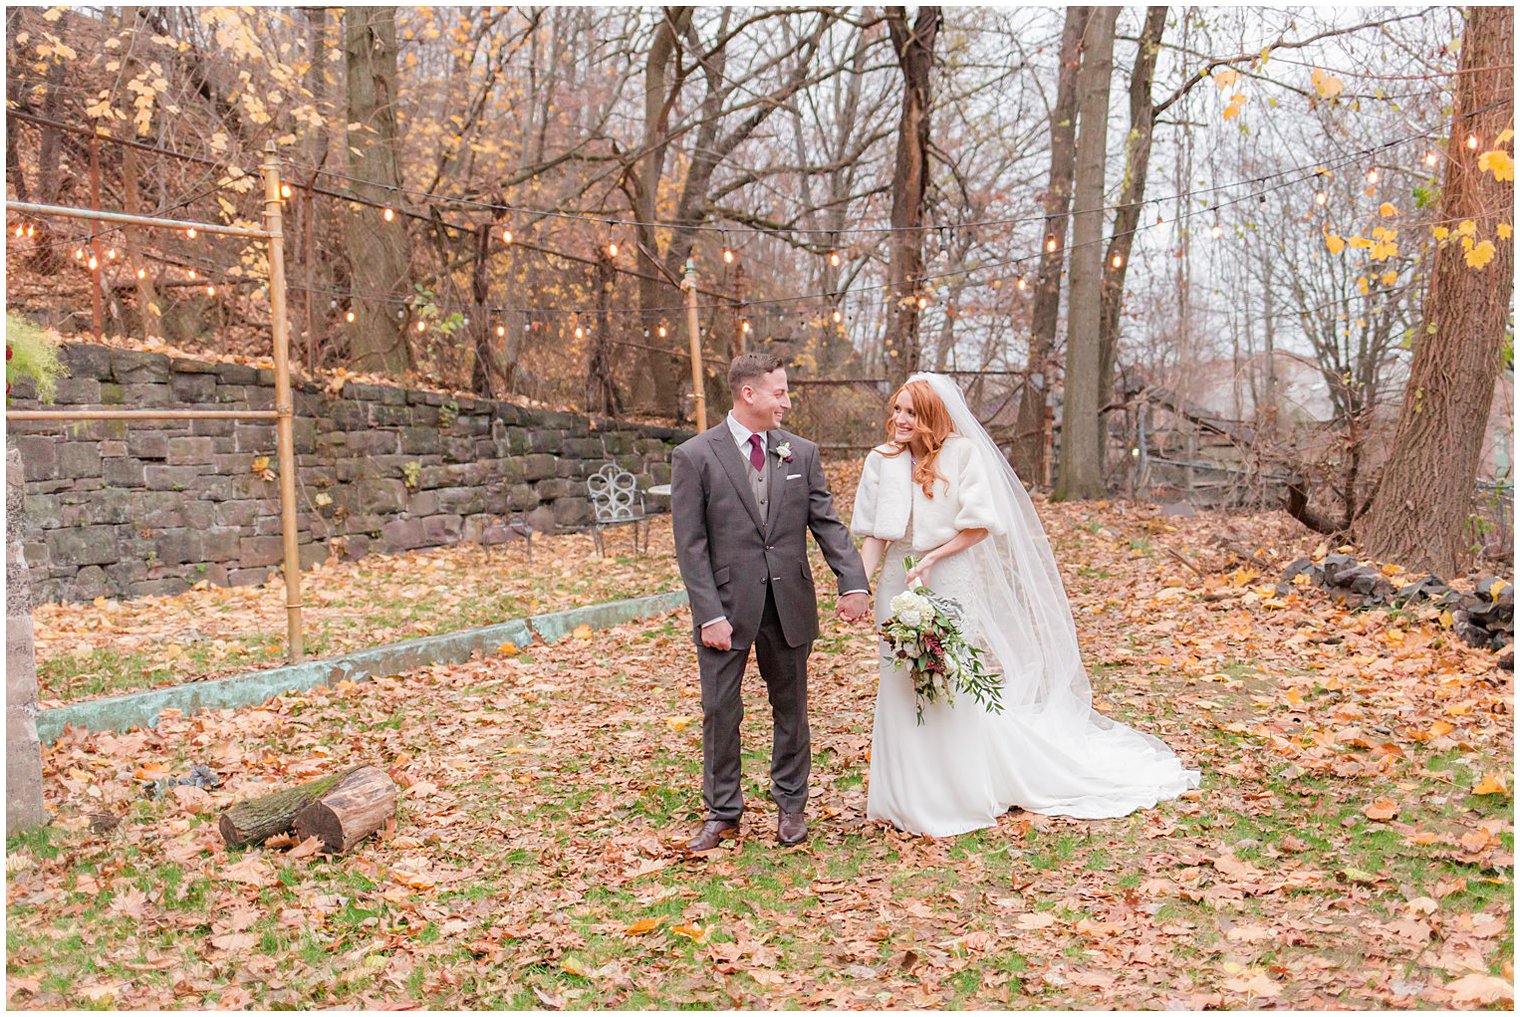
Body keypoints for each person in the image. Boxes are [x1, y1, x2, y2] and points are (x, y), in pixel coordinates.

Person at [850, 373, 1200, 837]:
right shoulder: (881, 460)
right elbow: (875, 534)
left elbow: (979, 525)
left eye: (911, 412)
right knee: (899, 682)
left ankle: (954, 794)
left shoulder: (963, 455)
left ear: (931, 415)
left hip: (948, 579)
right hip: (899, 580)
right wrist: (858, 586)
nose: (899, 419)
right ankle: (901, 798)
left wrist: (933, 558)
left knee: (947, 680)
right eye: (897, 409)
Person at [670, 352, 871, 851]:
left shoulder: (800, 453)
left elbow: (825, 522)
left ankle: (791, 808)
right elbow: (690, 544)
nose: (786, 400)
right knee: (720, 711)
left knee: (792, 708)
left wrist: (853, 581)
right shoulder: (695, 456)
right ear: (749, 394)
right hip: (726, 609)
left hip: (788, 602)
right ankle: (723, 812)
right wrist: (709, 614)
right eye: (779, 391)